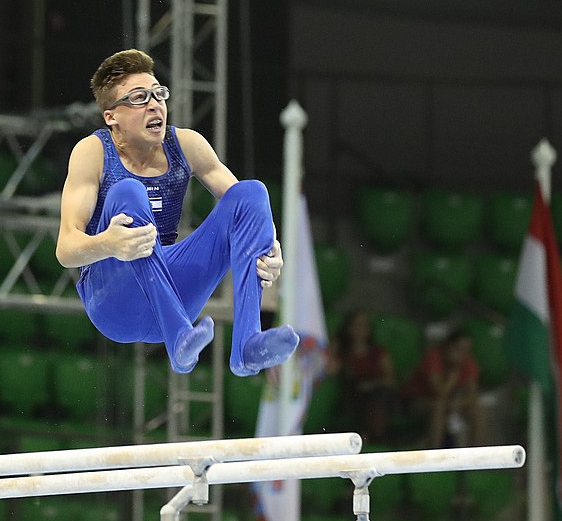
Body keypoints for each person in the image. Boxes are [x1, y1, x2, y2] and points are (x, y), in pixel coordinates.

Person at [55, 49, 299, 376]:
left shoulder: (187, 144)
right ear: (111, 116)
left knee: (252, 191)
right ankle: (178, 337)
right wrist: (109, 244)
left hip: (175, 289)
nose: (155, 104)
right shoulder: (93, 152)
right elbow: (66, 249)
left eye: (159, 94)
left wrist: (269, 249)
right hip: (114, 301)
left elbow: (246, 213)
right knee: (128, 192)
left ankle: (247, 345)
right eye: (139, 98)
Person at [403, 328, 484, 447]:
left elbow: (472, 396)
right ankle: (434, 456)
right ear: (449, 346)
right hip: (416, 401)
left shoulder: (468, 362)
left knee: (477, 410)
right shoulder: (434, 357)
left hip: (447, 403)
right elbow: (439, 392)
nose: (462, 354)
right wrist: (454, 373)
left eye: (467, 351)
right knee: (439, 406)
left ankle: (480, 457)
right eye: (459, 349)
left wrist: (456, 404)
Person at [327, 309, 395, 444]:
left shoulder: (378, 352)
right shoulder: (343, 353)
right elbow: (331, 370)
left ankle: (376, 436)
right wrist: (335, 344)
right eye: (356, 325)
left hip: (377, 393)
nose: (360, 329)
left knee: (379, 396)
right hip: (352, 396)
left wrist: (371, 385)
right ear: (348, 328)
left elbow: (390, 380)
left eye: (364, 325)